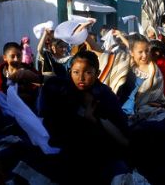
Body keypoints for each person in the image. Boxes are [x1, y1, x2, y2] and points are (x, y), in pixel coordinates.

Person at [37, 51, 130, 184]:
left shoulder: (105, 96)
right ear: (70, 72)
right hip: (66, 150)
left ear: (97, 73)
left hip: (100, 152)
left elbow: (123, 139)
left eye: (88, 73)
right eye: (76, 72)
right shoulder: (63, 90)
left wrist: (94, 120)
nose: (81, 78)